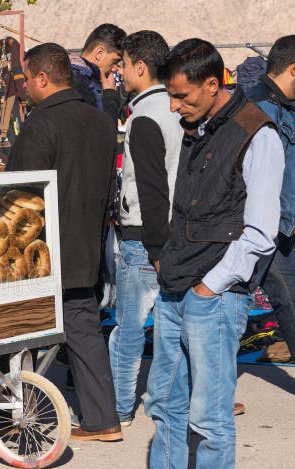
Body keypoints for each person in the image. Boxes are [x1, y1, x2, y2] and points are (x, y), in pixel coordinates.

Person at [106, 39, 284, 469]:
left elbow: (260, 234)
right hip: (177, 288)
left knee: (209, 419)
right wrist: (168, 267)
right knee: (166, 407)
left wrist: (211, 287)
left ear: (213, 84)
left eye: (182, 97)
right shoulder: (195, 126)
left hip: (214, 297)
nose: (173, 106)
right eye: (171, 96)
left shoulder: (258, 134)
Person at [3, 43, 122, 442]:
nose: (24, 87)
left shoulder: (41, 124)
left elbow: (18, 195)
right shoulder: (102, 122)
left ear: (41, 78)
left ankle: (19, 415)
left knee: (18, 332)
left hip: (40, 252)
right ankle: (103, 418)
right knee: (84, 330)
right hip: (86, 246)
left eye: (25, 78)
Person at [107, 31, 182, 427]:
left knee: (129, 328)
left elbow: (151, 186)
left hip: (145, 235)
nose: (118, 72)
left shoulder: (147, 116)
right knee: (169, 324)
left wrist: (152, 246)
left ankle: (120, 407)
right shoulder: (177, 108)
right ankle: (170, 399)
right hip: (169, 231)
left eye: (121, 65)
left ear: (140, 66)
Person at [248, 35, 295, 405]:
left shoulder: (283, 106)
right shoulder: (261, 107)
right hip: (259, 228)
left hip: (278, 229)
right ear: (293, 68)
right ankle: (205, 390)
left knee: (294, 301)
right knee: (231, 307)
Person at [70, 23, 127, 121]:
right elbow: (106, 130)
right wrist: (109, 94)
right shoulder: (81, 84)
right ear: (100, 53)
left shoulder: (72, 75)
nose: (115, 68)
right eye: (115, 61)